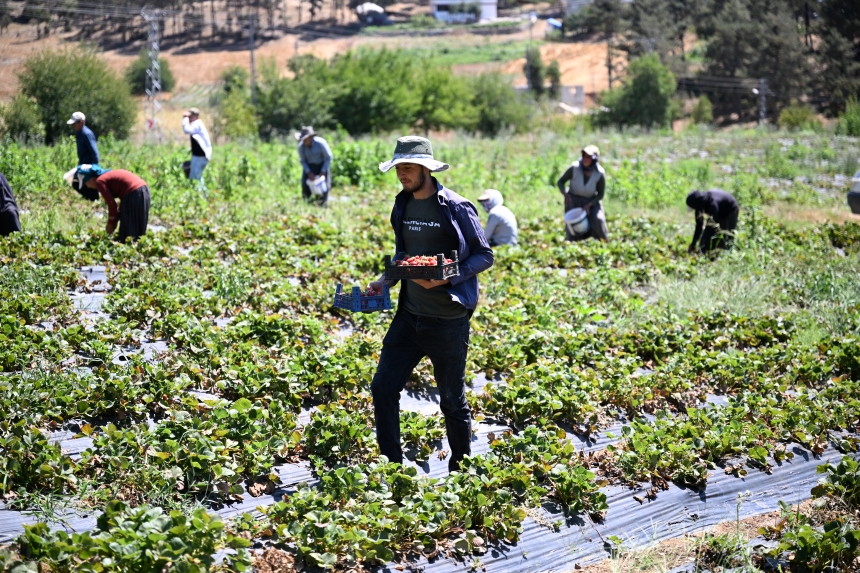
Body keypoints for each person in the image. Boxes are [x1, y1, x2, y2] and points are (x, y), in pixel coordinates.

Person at [368, 136, 494, 473]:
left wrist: (447, 277)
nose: (402, 174)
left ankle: (461, 470)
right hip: (409, 317)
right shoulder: (402, 204)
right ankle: (392, 467)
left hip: (448, 320)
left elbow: (484, 255)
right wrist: (387, 279)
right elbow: (403, 254)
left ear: (426, 167)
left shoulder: (455, 206)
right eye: (398, 168)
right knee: (382, 387)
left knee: (452, 400)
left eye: (407, 167)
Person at [78, 165, 150, 242]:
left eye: (86, 183)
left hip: (133, 194)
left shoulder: (100, 181)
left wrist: (110, 224)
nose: (88, 187)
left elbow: (112, 205)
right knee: (139, 231)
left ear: (91, 179)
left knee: (128, 236)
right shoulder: (108, 176)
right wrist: (115, 219)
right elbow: (121, 202)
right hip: (144, 191)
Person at [557, 144, 609, 241]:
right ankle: (574, 245)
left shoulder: (599, 173)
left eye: (588, 157)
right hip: (573, 200)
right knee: (573, 226)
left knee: (598, 220)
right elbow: (560, 182)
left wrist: (589, 205)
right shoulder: (574, 168)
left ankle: (603, 243)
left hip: (591, 201)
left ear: (594, 159)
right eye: (584, 156)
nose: (585, 159)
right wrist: (565, 194)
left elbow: (601, 194)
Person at [686, 189, 739, 254]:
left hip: (730, 209)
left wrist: (702, 250)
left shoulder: (712, 205)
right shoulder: (700, 204)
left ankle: (727, 254)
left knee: (725, 235)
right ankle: (709, 252)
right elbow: (699, 225)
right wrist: (693, 245)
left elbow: (711, 228)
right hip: (720, 209)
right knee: (709, 236)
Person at [67, 111, 101, 201]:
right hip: (83, 165)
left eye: (75, 123)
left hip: (89, 166)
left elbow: (95, 152)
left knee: (88, 186)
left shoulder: (86, 134)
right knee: (76, 183)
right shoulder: (79, 133)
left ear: (81, 122)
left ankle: (94, 201)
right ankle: (90, 201)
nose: (73, 126)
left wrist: (94, 169)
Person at [296, 126, 333, 206]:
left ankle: (323, 203)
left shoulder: (320, 143)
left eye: (306, 139)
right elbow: (303, 160)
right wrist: (308, 172)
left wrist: (323, 171)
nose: (304, 141)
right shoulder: (301, 146)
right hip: (309, 167)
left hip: (322, 165)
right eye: (303, 139)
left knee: (324, 187)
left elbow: (328, 157)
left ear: (311, 137)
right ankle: (307, 204)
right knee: (305, 186)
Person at [181, 108, 212, 188]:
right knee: (198, 176)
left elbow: (186, 130)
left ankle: (200, 196)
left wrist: (184, 119)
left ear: (195, 116)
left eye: (190, 117)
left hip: (200, 155)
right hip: (200, 155)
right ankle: (203, 195)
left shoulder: (196, 123)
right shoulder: (197, 124)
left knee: (195, 178)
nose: (189, 119)